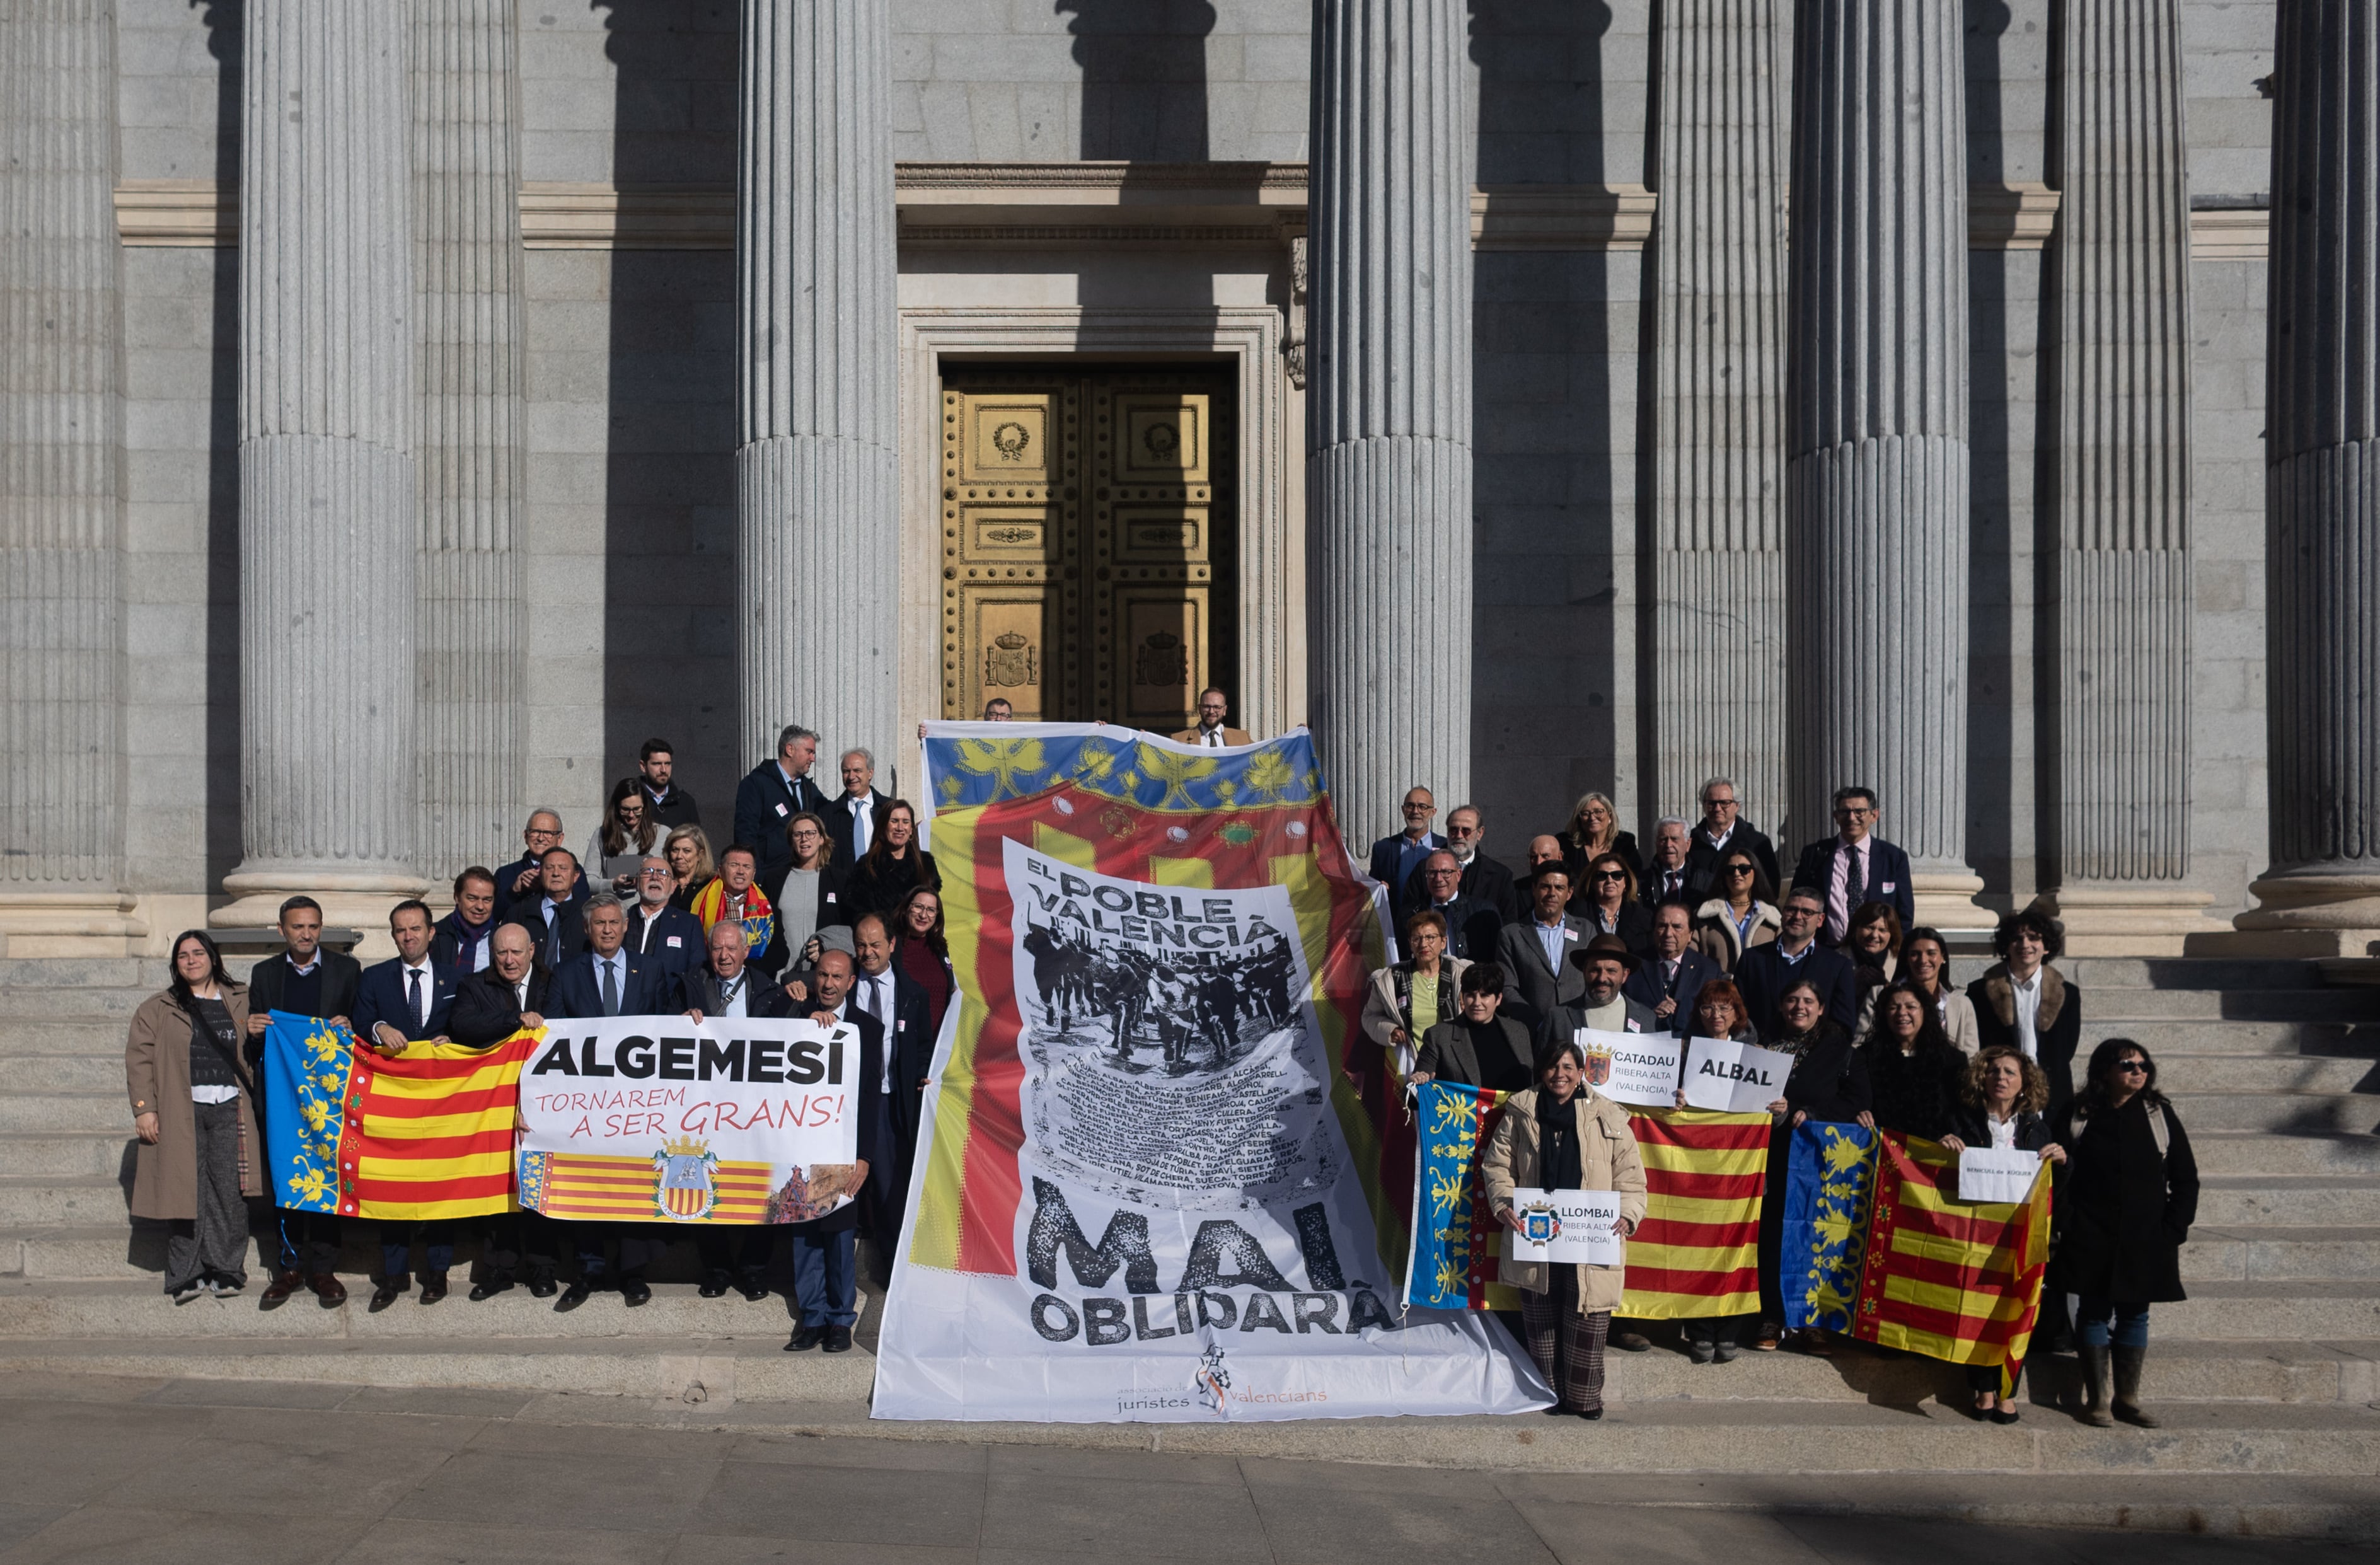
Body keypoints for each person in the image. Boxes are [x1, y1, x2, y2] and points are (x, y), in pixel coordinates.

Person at [1481, 1036, 1649, 1419]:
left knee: (1587, 1314)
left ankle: (1585, 1399)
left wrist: (1628, 1214)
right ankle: (1548, 1395)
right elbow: (1498, 1167)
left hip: (1591, 1234)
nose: (1560, 1075)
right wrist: (1505, 1204)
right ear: (1543, 1071)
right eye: (1554, 1067)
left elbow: (1630, 1176)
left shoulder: (1609, 1115)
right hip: (1536, 1230)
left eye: (1568, 1068)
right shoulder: (1521, 1111)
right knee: (1541, 1317)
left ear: (1581, 1073)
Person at [2052, 1038, 2197, 1429]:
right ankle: (2098, 1400)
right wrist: (2067, 1222)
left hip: (2147, 1235)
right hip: (2090, 1233)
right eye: (2127, 1065)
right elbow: (2054, 1173)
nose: (2138, 1071)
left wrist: (2173, 1230)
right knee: (2094, 1312)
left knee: (2136, 1313)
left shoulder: (2157, 1114)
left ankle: (2128, 1399)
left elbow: (2185, 1177)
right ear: (2104, 1071)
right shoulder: (2078, 1113)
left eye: (2143, 1065)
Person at [546, 893, 676, 1307]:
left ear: (625, 927)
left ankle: (633, 1271)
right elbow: (552, 1034)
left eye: (613, 922)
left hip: (637, 1104)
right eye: (599, 923)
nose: (606, 929)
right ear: (587, 929)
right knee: (588, 1183)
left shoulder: (651, 969)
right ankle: (589, 1268)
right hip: (584, 1104)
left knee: (634, 1183)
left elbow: (666, 1029)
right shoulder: (565, 974)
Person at [128, 931, 261, 1303]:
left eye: (198, 953)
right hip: (179, 1110)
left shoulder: (242, 999)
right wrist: (145, 1109)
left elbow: (267, 1038)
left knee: (230, 1193)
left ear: (213, 958)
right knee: (184, 1192)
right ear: (176, 964)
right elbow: (138, 1060)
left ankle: (227, 1268)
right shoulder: (158, 1007)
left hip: (231, 1106)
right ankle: (185, 1273)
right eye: (183, 955)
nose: (191, 960)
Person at [241, 896, 359, 1307]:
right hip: (282, 1096)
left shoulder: (348, 970)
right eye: (297, 927)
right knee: (287, 1178)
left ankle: (324, 1269)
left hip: (328, 1097)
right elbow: (257, 1042)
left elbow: (358, 1031)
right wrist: (254, 1030)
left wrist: (350, 1025)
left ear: (321, 928)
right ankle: (288, 1267)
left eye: (312, 926)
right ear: (282, 930)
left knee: (327, 1175)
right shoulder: (265, 973)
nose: (306, 934)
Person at [1941, 1045, 2067, 1421]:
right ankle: (1982, 1389)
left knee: (2017, 1311)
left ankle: (2008, 1391)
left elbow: (2052, 1187)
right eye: (1994, 1071)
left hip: (2019, 1234)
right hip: (1973, 1233)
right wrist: (1944, 1147)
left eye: (2010, 1073)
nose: (2001, 1078)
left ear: (2024, 1083)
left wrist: (2062, 1161)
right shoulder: (1961, 1119)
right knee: (1977, 1313)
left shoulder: (2035, 1126)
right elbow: (1940, 1175)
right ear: (1983, 1077)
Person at [350, 901, 463, 1308]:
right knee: (390, 1188)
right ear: (393, 935)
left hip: (442, 1104)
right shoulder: (375, 978)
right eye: (401, 930)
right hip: (392, 1105)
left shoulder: (457, 976)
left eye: (416, 929)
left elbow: (469, 1023)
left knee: (440, 1187)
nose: (409, 936)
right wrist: (379, 1027)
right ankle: (393, 1276)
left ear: (432, 932)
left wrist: (455, 1040)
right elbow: (360, 1022)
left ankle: (437, 1273)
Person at [678, 919, 797, 1301]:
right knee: (702, 1182)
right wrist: (676, 1024)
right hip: (702, 1109)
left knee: (763, 1187)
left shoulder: (770, 991)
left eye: (732, 949)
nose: (724, 956)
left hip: (754, 1111)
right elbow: (661, 1032)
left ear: (747, 952)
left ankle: (753, 1269)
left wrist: (810, 1013)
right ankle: (715, 1268)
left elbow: (792, 1040)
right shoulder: (688, 986)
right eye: (717, 949)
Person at [1754, 976, 1871, 1352]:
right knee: (1772, 1238)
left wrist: (1813, 1112)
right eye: (1791, 999)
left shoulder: (1841, 1051)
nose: (1799, 1007)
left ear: (1821, 1008)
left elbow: (1858, 1102)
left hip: (1817, 1163)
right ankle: (1771, 1318)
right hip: (1770, 1157)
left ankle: (1811, 1324)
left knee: (1813, 1238)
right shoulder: (1765, 1049)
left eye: (1808, 1000)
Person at [448, 923, 560, 1300]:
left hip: (545, 1106)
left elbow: (566, 1027)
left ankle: (544, 1269)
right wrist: (515, 1022)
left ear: (532, 951)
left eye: (516, 952)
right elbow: (463, 1025)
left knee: (540, 1186)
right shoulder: (474, 986)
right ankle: (499, 1270)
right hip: (494, 1107)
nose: (509, 961)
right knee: (499, 1191)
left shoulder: (553, 982)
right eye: (501, 954)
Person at [782, 949, 886, 1354]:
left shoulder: (868, 1028)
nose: (827, 984)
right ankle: (812, 1319)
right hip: (800, 1149)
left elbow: (871, 1099)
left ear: (851, 982)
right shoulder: (795, 1015)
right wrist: (801, 1026)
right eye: (822, 975)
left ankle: (841, 1321)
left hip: (841, 1150)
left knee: (839, 1238)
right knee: (804, 1235)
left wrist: (865, 1157)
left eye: (836, 977)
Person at [1672, 979, 1759, 1363]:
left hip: (1740, 1170)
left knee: (1736, 1247)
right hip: (1698, 1166)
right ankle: (1700, 1330)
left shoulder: (1755, 1056)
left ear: (1737, 1014)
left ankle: (1730, 1331)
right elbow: (1663, 1104)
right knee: (1698, 1248)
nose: (1717, 1015)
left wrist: (1781, 1108)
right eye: (1708, 1008)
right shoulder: (1683, 1053)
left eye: (1725, 1008)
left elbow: (1771, 1115)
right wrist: (1671, 1101)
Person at [850, 912, 933, 1285]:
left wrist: (926, 1074)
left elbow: (922, 1046)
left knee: (889, 1188)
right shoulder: (844, 983)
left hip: (889, 1101)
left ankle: (892, 1268)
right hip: (844, 1103)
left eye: (875, 945)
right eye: (861, 945)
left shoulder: (913, 993)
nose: (868, 953)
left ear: (892, 945)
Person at [1970, 901, 2084, 1120]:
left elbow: (2066, 1050)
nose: (2025, 944)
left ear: (2046, 946)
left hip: (2051, 1094)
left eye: (2034, 937)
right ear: (2006, 946)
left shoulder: (2068, 994)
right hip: (1998, 1092)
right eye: (2017, 938)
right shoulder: (1979, 992)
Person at [1789, 785, 1915, 944]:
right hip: (1827, 952)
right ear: (1836, 816)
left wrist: (1896, 951)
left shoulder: (1893, 858)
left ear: (1874, 815)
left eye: (1859, 812)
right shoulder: (1816, 854)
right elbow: (1797, 900)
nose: (1851, 818)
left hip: (1876, 954)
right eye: (1845, 812)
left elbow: (1904, 913)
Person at [1733, 887, 1859, 1037]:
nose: (1798, 916)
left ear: (1820, 920)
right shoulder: (1753, 958)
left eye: (1807, 912)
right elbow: (1737, 1013)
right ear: (1782, 915)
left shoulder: (1838, 966)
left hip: (1814, 1056)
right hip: (1760, 1053)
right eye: (1791, 910)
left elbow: (1843, 1025)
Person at [1362, 911, 1470, 1079]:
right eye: (1416, 939)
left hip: (1458, 1064)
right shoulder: (1390, 979)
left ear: (1443, 942)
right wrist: (1390, 1030)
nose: (1423, 944)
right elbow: (1369, 1016)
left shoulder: (1464, 974)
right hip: (1414, 1067)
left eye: (1430, 937)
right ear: (1410, 944)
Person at [1860, 982, 1966, 1141]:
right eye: (1894, 1007)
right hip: (1881, 1152)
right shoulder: (1865, 1058)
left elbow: (1961, 1113)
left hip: (1934, 1154)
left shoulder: (1953, 1060)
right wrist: (1859, 1113)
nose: (1902, 1013)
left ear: (1925, 1011)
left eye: (1911, 1007)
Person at [1409, 962, 1535, 1093]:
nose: (1477, 1003)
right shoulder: (1439, 1037)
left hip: (1517, 1112)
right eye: (1470, 995)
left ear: (1498, 999)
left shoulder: (1519, 1031)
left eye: (1484, 995)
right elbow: (1413, 1097)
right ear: (1462, 997)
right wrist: (1416, 1084)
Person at [734, 724, 830, 886]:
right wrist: (756, 875)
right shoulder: (756, 783)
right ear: (790, 750)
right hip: (770, 877)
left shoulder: (808, 788)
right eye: (809, 752)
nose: (813, 758)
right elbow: (745, 833)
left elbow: (830, 813)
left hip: (804, 875)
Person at [1496, 866, 1586, 1037]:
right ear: (1534, 890)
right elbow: (1507, 988)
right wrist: (1539, 1023)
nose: (1552, 893)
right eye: (1546, 887)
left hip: (1578, 1032)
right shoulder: (1512, 935)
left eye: (1559, 888)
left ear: (1569, 893)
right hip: (1531, 1034)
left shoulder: (1586, 931)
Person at [766, 811, 846, 969]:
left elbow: (847, 928)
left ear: (822, 839)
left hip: (822, 974)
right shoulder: (774, 880)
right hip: (780, 975)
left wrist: (826, 946)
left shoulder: (838, 880)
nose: (804, 839)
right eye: (798, 834)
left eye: (810, 833)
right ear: (791, 841)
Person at [1682, 776, 1781, 903]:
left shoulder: (1757, 843)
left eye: (1724, 803)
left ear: (1737, 806)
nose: (1718, 808)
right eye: (1712, 803)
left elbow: (1771, 887)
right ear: (1704, 805)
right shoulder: (1689, 842)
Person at [1626, 903, 1718, 1037]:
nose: (1668, 934)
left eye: (1677, 927)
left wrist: (1680, 1012)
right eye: (1662, 926)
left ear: (1690, 935)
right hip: (1643, 1047)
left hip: (1689, 1048)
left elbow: (1715, 1015)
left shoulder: (1708, 971)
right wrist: (1650, 1015)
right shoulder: (1634, 966)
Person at [842, 800, 940, 927]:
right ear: (883, 827)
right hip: (884, 942)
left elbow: (933, 908)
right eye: (894, 821)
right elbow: (858, 914)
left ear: (911, 830)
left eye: (905, 822)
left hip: (920, 941)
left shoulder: (926, 864)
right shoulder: (866, 866)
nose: (900, 828)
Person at [1549, 934, 1660, 1043]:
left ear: (1625, 975)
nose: (1602, 978)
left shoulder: (1647, 1019)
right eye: (1595, 970)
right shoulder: (1558, 1018)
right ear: (1584, 972)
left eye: (1611, 971)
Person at [690, 844, 780, 976]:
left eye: (747, 867)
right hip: (709, 977)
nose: (741, 871)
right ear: (720, 870)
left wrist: (745, 969)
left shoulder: (768, 908)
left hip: (754, 979)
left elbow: (780, 952)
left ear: (754, 873)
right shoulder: (700, 901)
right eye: (734, 865)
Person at [1691, 848, 1781, 973]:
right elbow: (1691, 960)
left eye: (1744, 869)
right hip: (1718, 989)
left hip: (1761, 990)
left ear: (1756, 872)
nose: (1737, 874)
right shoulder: (1703, 916)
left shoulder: (1774, 919)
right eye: (1730, 870)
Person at [1402, 850, 1502, 962]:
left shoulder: (1483, 913)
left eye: (1446, 872)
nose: (1439, 879)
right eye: (1432, 873)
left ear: (1459, 875)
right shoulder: (1411, 914)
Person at [502, 846, 591, 972]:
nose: (556, 874)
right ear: (540, 873)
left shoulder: (589, 913)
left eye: (563, 868)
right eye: (549, 868)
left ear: (576, 876)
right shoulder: (520, 912)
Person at [1427, 803, 1519, 923]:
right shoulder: (1425, 869)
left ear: (1480, 833)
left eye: (1466, 831)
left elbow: (1508, 924)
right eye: (1454, 830)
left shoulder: (1500, 876)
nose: (1459, 836)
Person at [492, 808, 586, 920]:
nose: (541, 838)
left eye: (548, 833)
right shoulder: (505, 873)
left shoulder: (572, 870)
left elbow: (584, 910)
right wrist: (514, 892)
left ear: (560, 838)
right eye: (535, 832)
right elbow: (493, 916)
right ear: (526, 836)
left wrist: (547, 885)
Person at [1902, 925, 1980, 1053]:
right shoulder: (1881, 996)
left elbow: (1971, 1057)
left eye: (1931, 953)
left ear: (1943, 957)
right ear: (1906, 958)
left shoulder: (1962, 1004)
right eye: (1915, 954)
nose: (1923, 960)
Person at [625, 855, 705, 980]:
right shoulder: (621, 919)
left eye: (663, 873)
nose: (655, 877)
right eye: (647, 872)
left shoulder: (689, 924)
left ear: (673, 886)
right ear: (636, 883)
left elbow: (695, 973)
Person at [1559, 791, 1641, 907]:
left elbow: (1635, 879)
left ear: (1610, 817)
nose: (1592, 818)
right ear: (1579, 819)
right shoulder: (1567, 845)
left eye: (1598, 812)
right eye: (1586, 813)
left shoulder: (1624, 844)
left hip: (1618, 909)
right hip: (1576, 910)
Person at [894, 886, 956, 1039]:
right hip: (905, 1039)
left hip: (937, 1043)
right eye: (918, 907)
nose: (923, 915)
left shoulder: (940, 948)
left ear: (937, 916)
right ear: (907, 908)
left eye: (931, 910)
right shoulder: (892, 946)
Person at [1576, 852, 1655, 960]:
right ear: (1592, 882)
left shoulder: (1644, 918)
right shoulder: (1577, 916)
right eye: (1601, 876)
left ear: (1626, 882)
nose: (1609, 880)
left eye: (1617, 875)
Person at [586, 780, 660, 894]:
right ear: (616, 807)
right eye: (625, 809)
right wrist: (612, 884)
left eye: (637, 809)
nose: (631, 815)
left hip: (651, 907)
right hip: (614, 907)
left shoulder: (662, 833)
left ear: (645, 807)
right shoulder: (602, 834)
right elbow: (588, 881)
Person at [1368, 787, 1444, 893]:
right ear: (1403, 810)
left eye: (1422, 807)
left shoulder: (1445, 846)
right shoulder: (1383, 849)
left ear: (1433, 812)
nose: (1415, 811)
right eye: (1410, 806)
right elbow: (1372, 888)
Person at [1846, 899, 1903, 1040]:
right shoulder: (1836, 960)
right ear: (1856, 928)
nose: (1874, 935)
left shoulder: (1901, 963)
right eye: (1869, 927)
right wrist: (1853, 988)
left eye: (1883, 930)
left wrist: (1885, 987)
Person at [427, 867, 502, 976]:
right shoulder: (434, 936)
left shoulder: (502, 938)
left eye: (487, 900)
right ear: (457, 898)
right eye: (472, 898)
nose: (480, 907)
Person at [825, 748, 893, 866]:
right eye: (846, 771)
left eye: (857, 770)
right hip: (843, 883)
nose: (851, 777)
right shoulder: (829, 813)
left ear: (870, 773)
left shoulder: (889, 809)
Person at [633, 736, 701, 829]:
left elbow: (696, 840)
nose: (664, 770)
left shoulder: (686, 802)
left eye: (667, 764)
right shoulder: (629, 799)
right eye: (657, 764)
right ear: (643, 766)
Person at [1638, 818, 1695, 908]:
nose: (1668, 845)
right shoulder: (1642, 883)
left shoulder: (1703, 881)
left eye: (1675, 839)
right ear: (1656, 844)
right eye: (1663, 839)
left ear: (1688, 844)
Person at [1172, 686, 1251, 747]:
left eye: (1217, 707)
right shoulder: (1178, 740)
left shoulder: (1244, 739)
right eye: (1207, 707)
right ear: (1199, 709)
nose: (1211, 711)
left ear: (1225, 710)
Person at [663, 824, 717, 911]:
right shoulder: (662, 881)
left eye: (687, 851)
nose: (679, 856)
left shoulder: (711, 885)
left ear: (700, 854)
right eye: (675, 850)